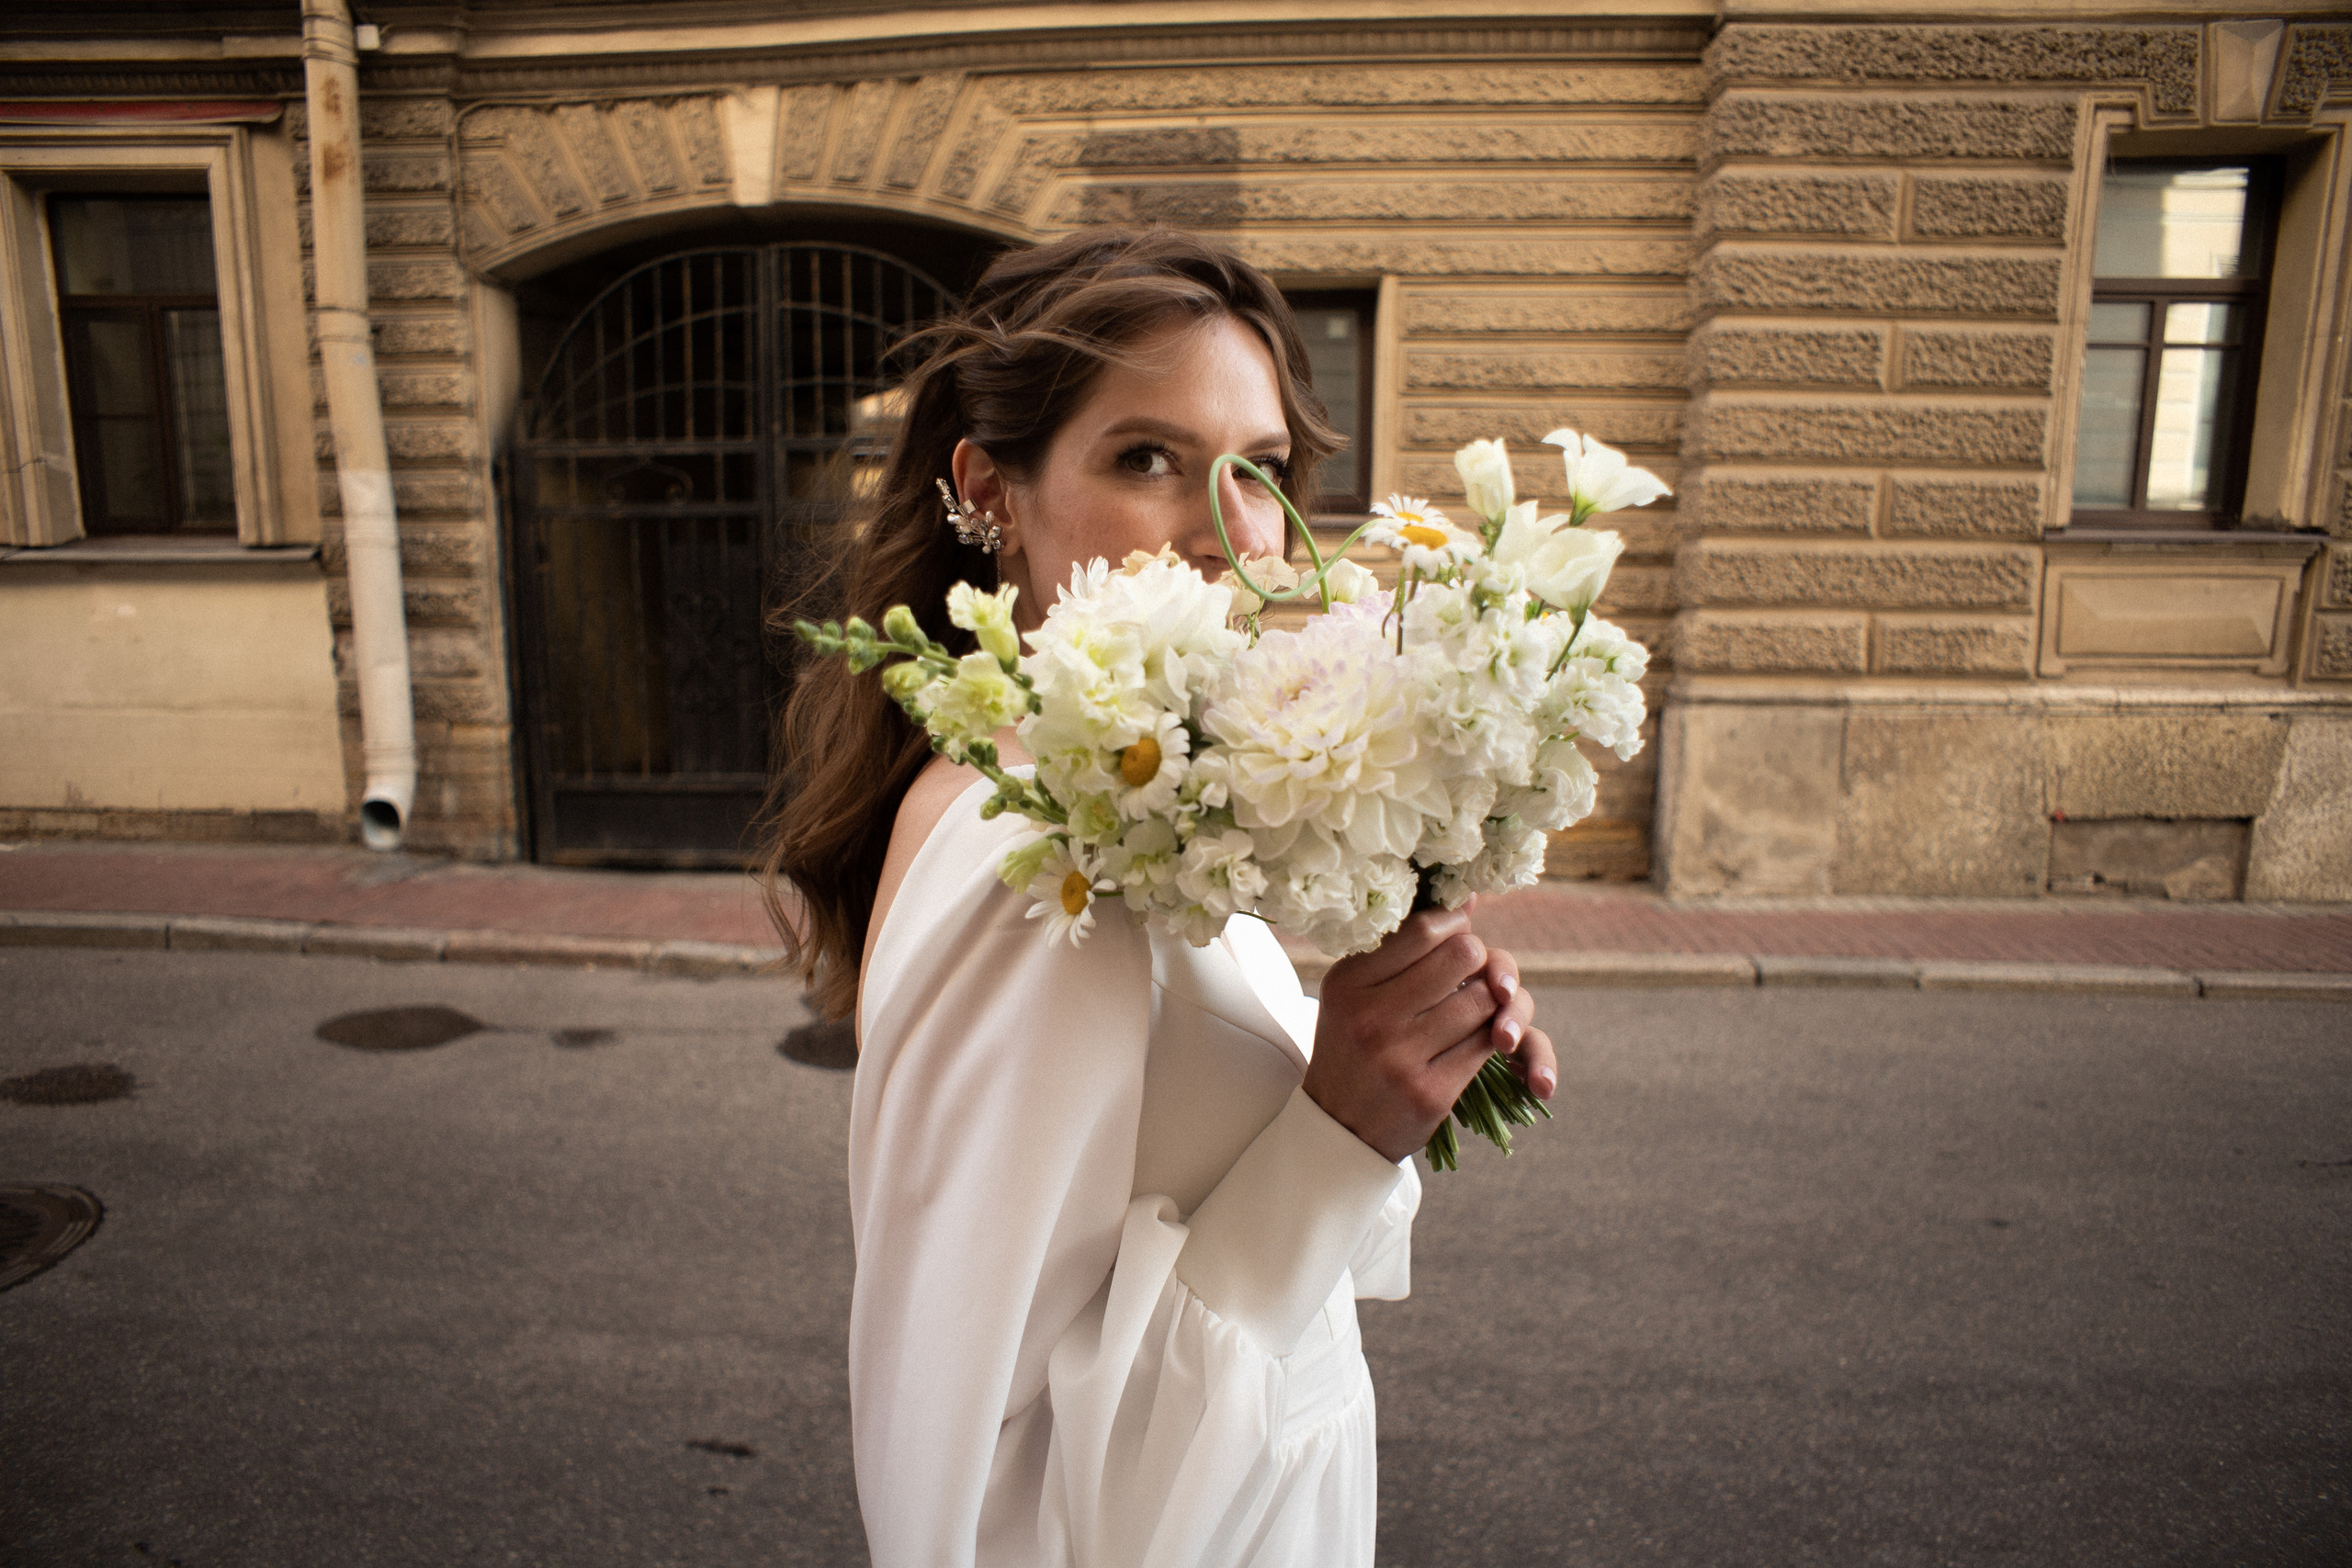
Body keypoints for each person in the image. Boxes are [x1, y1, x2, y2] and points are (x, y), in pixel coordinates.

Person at [762, 228, 1556, 1567]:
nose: (1232, 534)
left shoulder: (1130, 811)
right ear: (991, 491)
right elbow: (982, 1503)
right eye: (1149, 460)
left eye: (1267, 474)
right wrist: (1334, 1135)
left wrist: (1407, 1056)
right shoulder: (1029, 867)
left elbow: (1220, 1229)